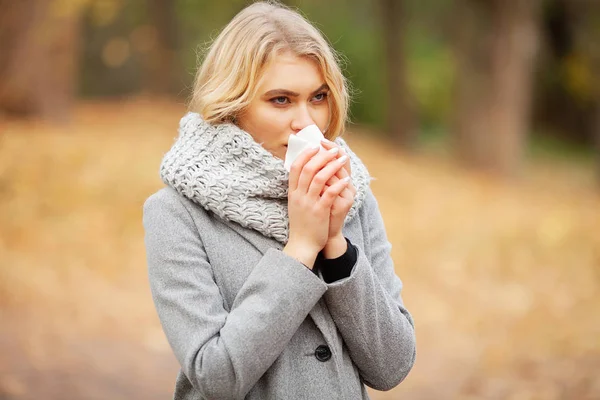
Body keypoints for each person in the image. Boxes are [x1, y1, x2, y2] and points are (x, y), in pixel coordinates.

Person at [143, 1, 416, 399]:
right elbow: (215, 375)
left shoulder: (350, 194)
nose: (306, 122)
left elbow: (392, 366)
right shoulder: (176, 213)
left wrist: (335, 246)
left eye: (318, 97)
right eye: (281, 100)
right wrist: (302, 247)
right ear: (232, 105)